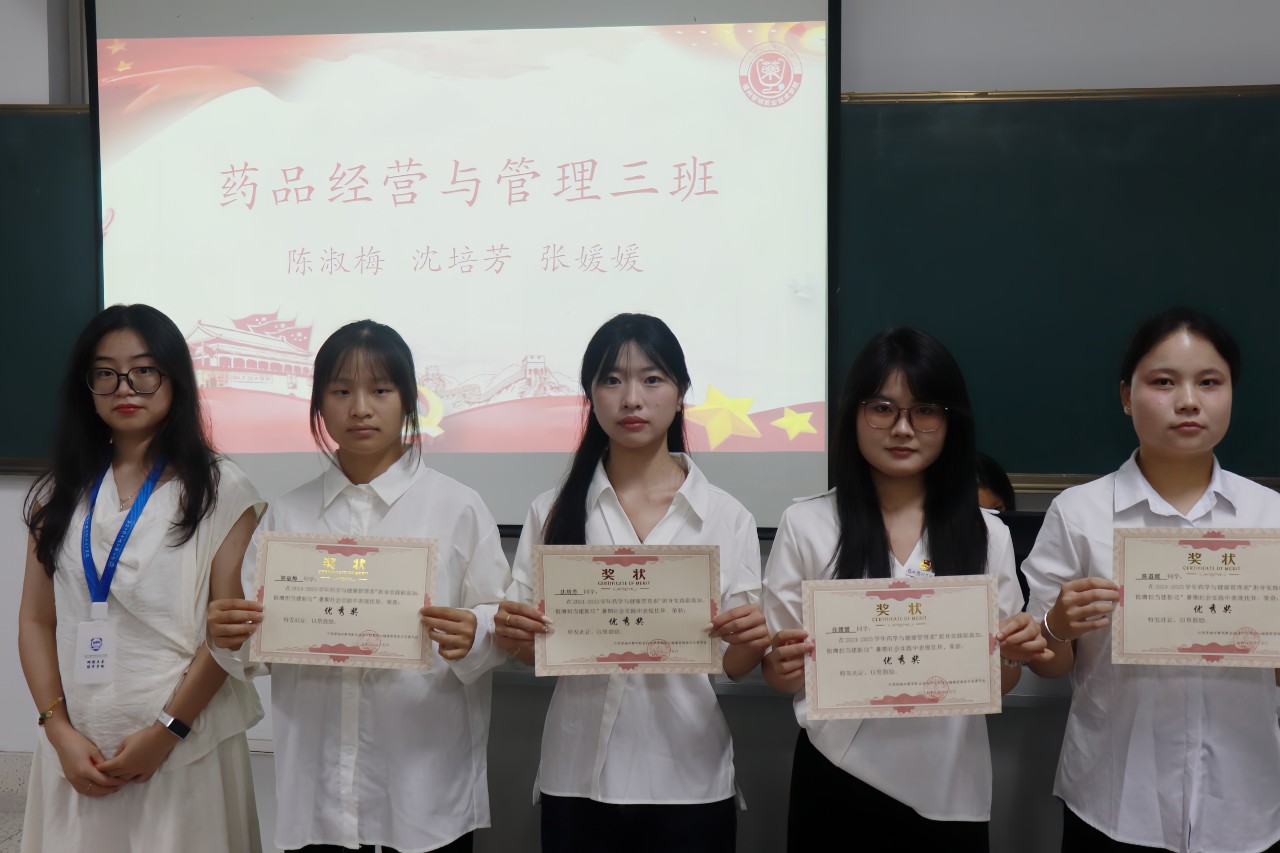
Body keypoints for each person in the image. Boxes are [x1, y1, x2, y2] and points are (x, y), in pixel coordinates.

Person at [206, 320, 511, 853]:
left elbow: (500, 617)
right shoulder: (289, 514)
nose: (361, 408)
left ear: (409, 400)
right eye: (341, 391)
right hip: (318, 787)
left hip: (422, 783)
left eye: (381, 390)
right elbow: (256, 645)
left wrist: (477, 631)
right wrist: (229, 637)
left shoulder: (458, 508)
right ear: (319, 404)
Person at [762, 327, 1048, 852]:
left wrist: (1012, 652)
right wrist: (781, 665)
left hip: (948, 783)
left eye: (925, 411)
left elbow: (1002, 681)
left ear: (951, 421)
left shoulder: (989, 534)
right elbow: (782, 675)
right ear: (853, 414)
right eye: (882, 408)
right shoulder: (806, 525)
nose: (902, 428)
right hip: (836, 773)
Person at [493, 313, 769, 853]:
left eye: (652, 379)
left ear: (681, 393)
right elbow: (531, 650)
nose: (632, 399)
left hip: (689, 776)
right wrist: (514, 635)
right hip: (577, 775)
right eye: (612, 380)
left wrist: (751, 640)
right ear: (591, 396)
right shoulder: (551, 510)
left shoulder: (725, 516)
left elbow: (735, 666)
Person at [1023, 307, 1280, 853]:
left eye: (1209, 382)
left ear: (1231, 393)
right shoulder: (1079, 513)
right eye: (1163, 382)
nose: (1188, 401)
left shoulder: (1271, 517)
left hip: (1245, 799)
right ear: (1126, 395)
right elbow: (1049, 664)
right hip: (1114, 798)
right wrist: (1056, 625)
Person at [18, 304, 264, 852]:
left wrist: (167, 731)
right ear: (86, 386)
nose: (125, 387)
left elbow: (225, 634)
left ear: (175, 378)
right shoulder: (60, 491)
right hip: (76, 747)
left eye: (144, 370)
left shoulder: (223, 489)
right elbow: (35, 620)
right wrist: (56, 729)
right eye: (105, 373)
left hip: (185, 745)